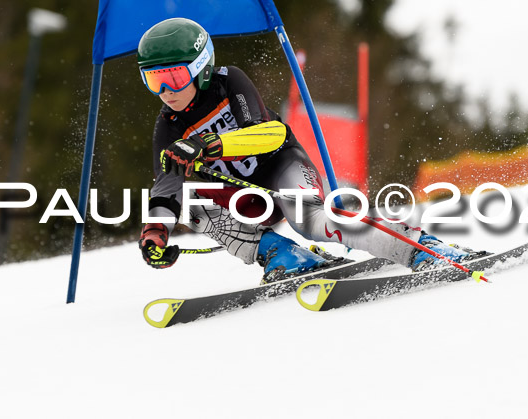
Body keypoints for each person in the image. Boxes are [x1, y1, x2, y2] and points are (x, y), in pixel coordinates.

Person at [136, 17, 485, 283]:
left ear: (202, 68)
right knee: (191, 204)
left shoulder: (229, 82)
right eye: (153, 80)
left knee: (310, 221)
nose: (166, 91)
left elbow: (269, 135)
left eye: (174, 77)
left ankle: (419, 247)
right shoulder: (168, 127)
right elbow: (166, 188)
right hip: (244, 198)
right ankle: (282, 254)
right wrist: (155, 233)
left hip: (281, 168)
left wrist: (209, 145)